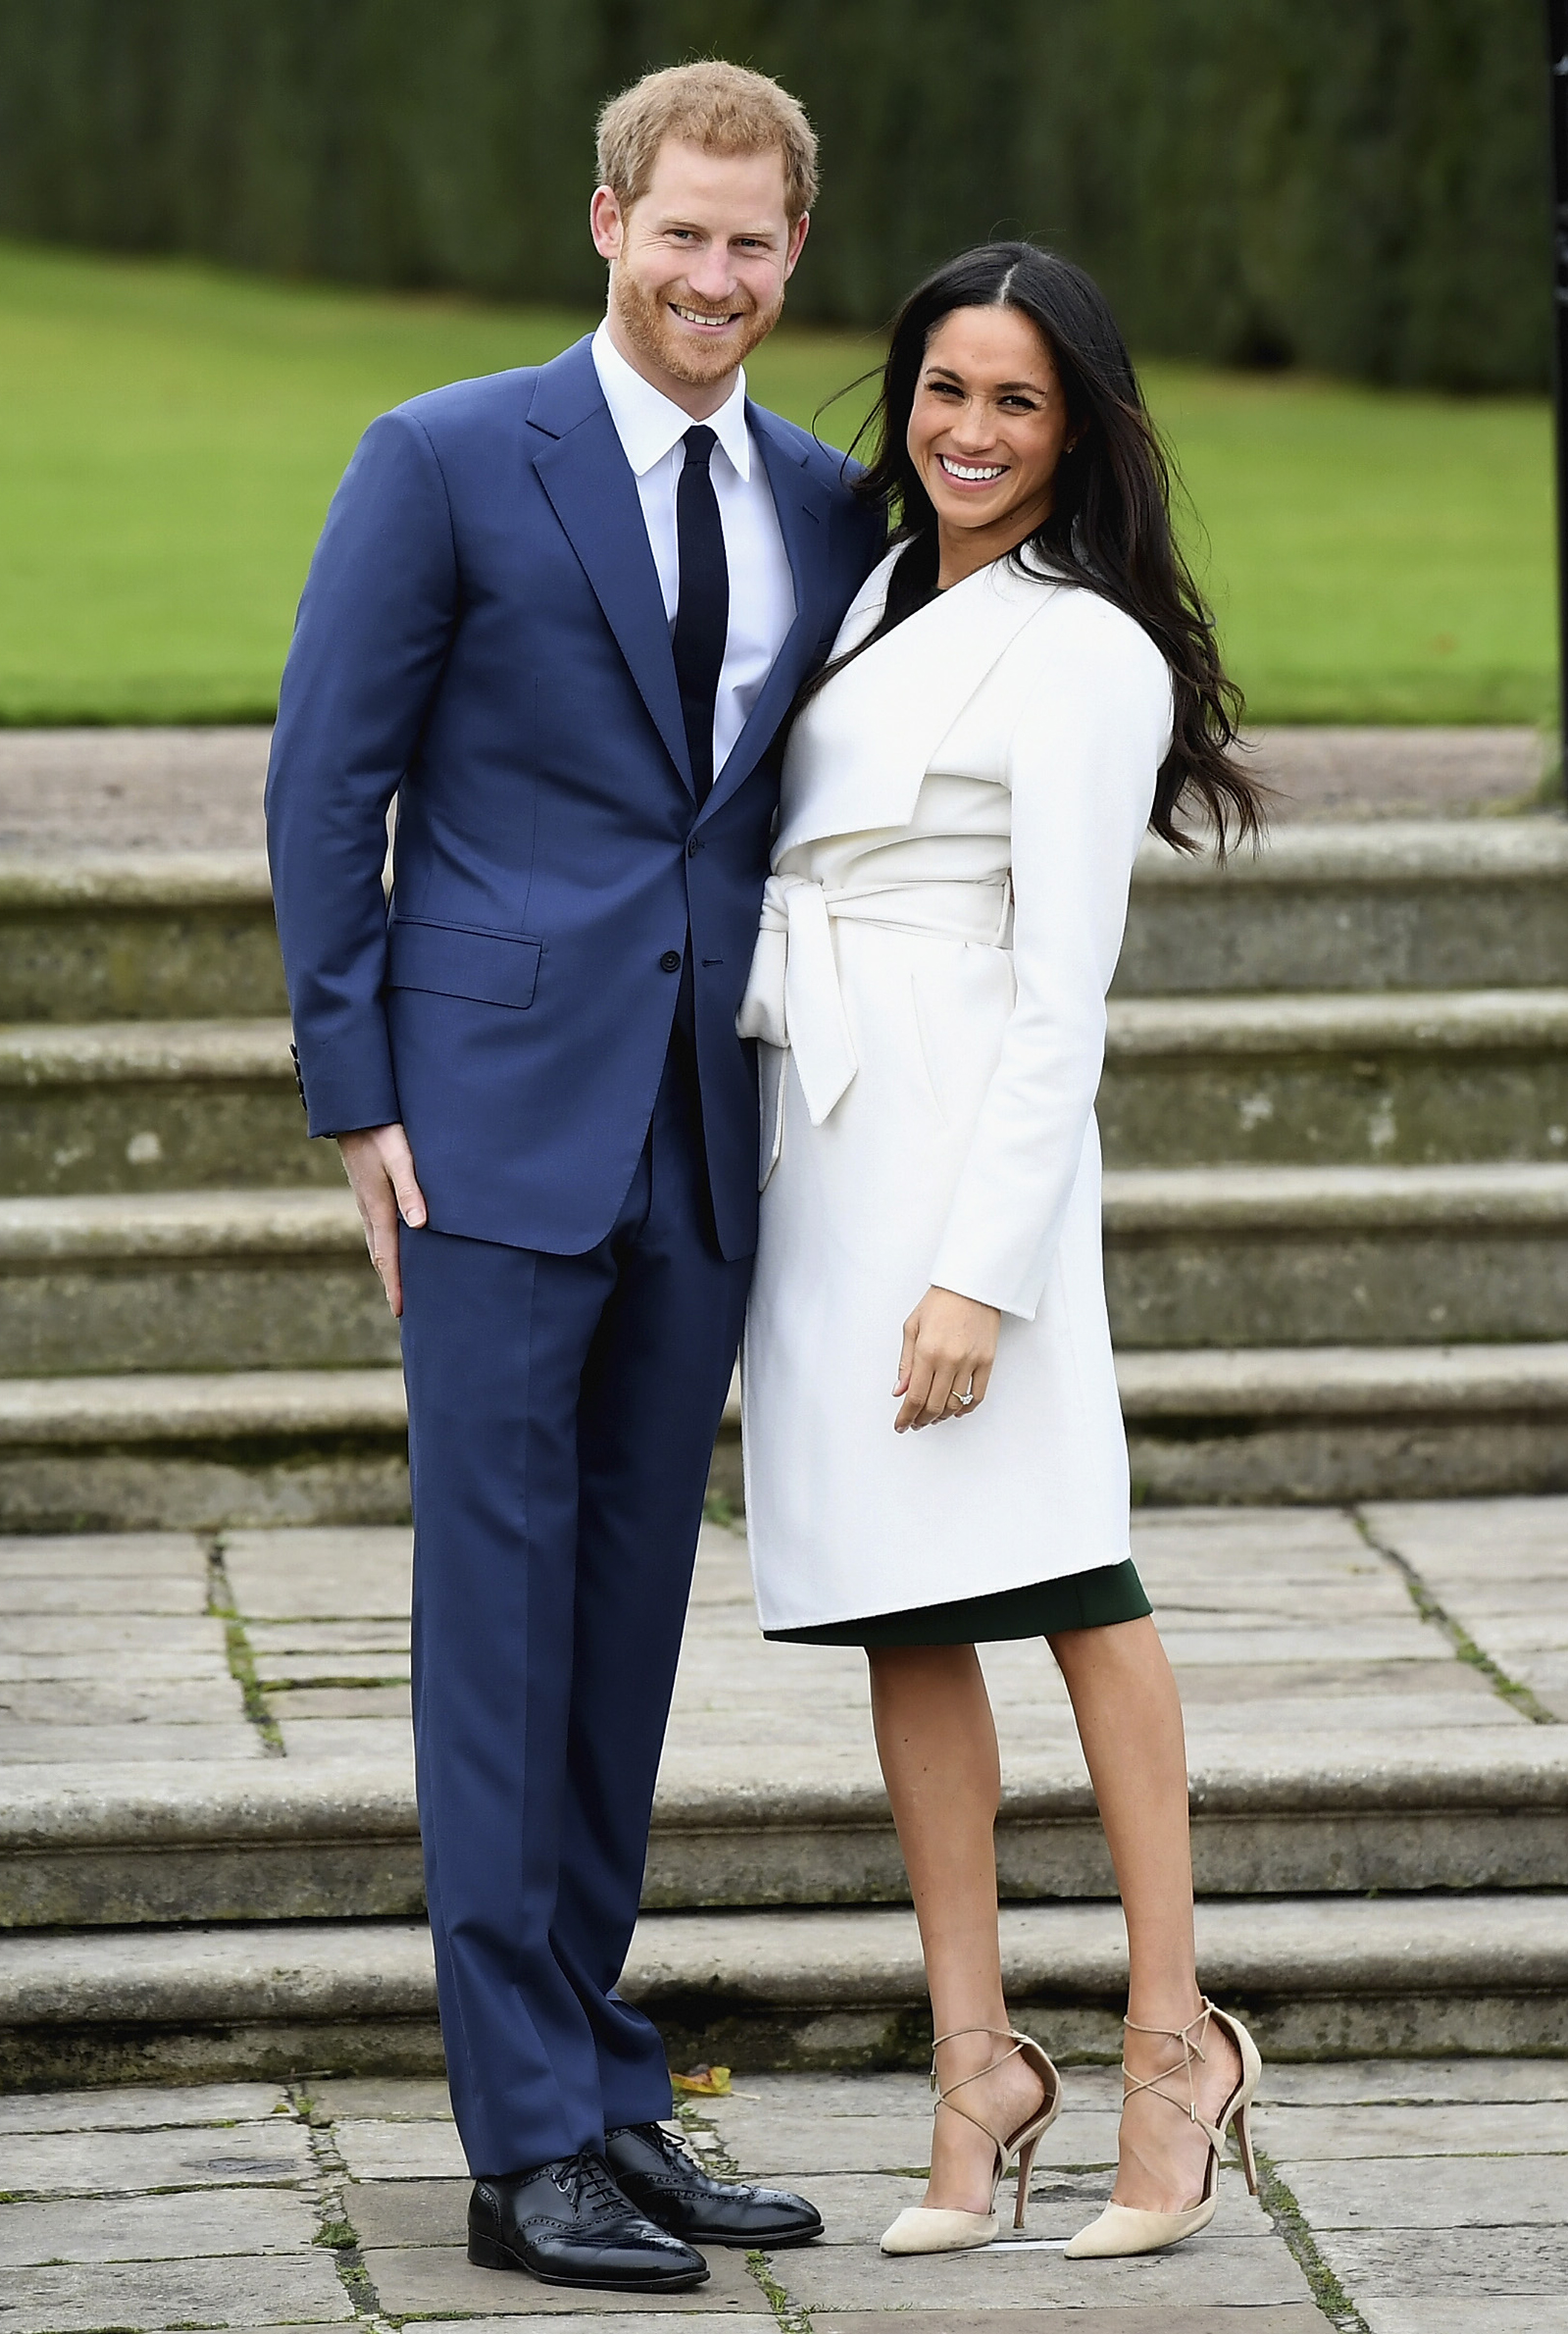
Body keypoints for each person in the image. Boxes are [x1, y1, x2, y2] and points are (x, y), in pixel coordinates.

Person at [266, 61, 884, 2296]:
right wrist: (358, 1091)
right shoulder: (443, 458)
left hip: (704, 1137)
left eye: (753, 245)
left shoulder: (825, 497)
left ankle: (607, 2094)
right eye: (680, 231)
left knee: (621, 1634)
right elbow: (327, 777)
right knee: (495, 1636)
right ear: (604, 219)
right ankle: (521, 2138)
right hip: (488, 1130)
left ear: (791, 256)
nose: (714, 277)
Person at [736, 241, 1269, 2262]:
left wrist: (984, 1270)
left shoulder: (1082, 650)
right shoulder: (871, 588)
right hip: (824, 1142)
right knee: (902, 1605)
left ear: (1080, 431)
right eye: (943, 390)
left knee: (1073, 1583)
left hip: (972, 1145)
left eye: (1016, 401)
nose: (969, 431)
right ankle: (976, 2067)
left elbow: (1064, 998)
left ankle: (1168, 2043)